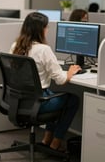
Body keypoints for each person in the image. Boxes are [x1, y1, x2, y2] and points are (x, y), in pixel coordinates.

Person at [11, 12, 80, 151]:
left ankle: (47, 138)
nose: (47, 29)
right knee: (72, 100)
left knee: (53, 94)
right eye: (46, 27)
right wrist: (70, 72)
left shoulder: (15, 46)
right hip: (38, 104)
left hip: (18, 101)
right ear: (40, 29)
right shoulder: (43, 50)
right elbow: (60, 80)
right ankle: (56, 141)